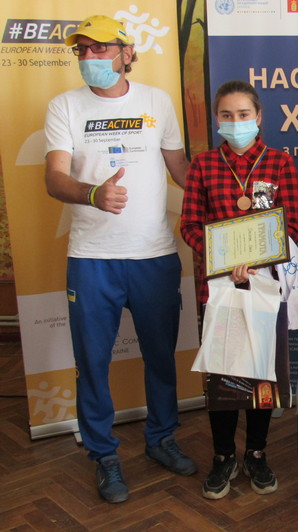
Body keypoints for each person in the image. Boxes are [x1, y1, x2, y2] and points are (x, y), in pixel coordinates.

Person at [44, 15, 195, 503]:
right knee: (92, 362)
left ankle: (161, 438)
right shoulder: (64, 106)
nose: (90, 58)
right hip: (92, 259)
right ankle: (103, 455)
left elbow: (180, 168)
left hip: (154, 256)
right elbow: (54, 179)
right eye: (82, 50)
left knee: (161, 357)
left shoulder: (157, 101)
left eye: (100, 48)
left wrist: (230, 197)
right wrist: (92, 193)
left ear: (126, 52)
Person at [181, 80, 298, 500]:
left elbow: (290, 226)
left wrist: (256, 264)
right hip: (219, 290)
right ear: (217, 119)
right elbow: (190, 226)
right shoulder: (203, 165)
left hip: (264, 287)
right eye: (227, 115)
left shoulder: (280, 163)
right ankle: (222, 456)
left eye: (243, 114)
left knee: (260, 374)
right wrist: (222, 262)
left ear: (259, 117)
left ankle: (256, 452)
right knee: (222, 376)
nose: (235, 122)